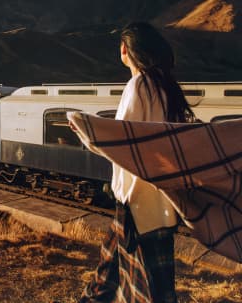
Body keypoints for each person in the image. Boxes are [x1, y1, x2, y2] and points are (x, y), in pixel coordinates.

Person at [77, 22, 195, 303]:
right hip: (161, 200)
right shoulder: (167, 87)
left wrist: (87, 135)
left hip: (136, 201)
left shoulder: (138, 84)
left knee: (147, 286)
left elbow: (122, 142)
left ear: (125, 51)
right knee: (110, 273)